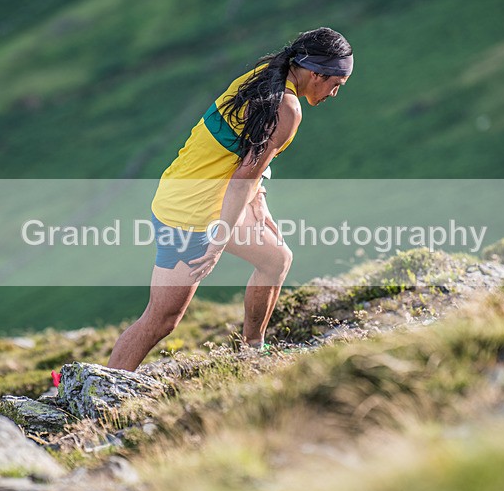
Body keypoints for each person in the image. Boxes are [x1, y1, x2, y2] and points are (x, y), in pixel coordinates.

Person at [107, 27, 353, 371]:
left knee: (276, 258)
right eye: (335, 84)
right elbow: (245, 175)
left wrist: (259, 200)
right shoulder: (288, 108)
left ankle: (252, 350)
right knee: (161, 320)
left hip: (200, 193)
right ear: (316, 73)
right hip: (190, 213)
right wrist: (218, 240)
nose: (334, 93)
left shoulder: (265, 76)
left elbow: (247, 154)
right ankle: (101, 392)